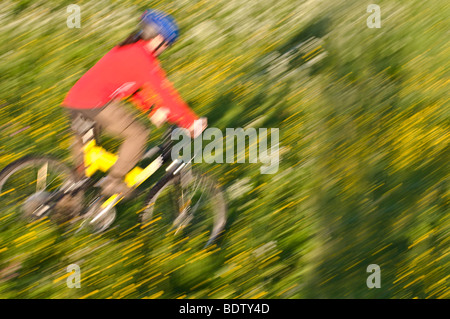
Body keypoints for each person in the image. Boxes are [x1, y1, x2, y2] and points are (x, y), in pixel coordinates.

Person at [62, 9, 207, 198]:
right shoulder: (143, 58)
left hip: (75, 103)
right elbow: (165, 93)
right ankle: (114, 181)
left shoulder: (129, 49)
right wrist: (190, 123)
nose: (165, 49)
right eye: (167, 44)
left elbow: (133, 90)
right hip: (94, 104)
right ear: (157, 38)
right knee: (138, 134)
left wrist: (152, 109)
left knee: (83, 169)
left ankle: (62, 209)